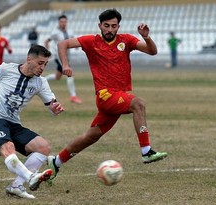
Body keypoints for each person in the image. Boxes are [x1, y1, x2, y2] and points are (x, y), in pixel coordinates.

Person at [47, 9, 168, 183]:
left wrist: (147, 37)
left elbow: (152, 51)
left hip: (118, 96)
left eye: (113, 26)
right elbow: (62, 44)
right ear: (100, 26)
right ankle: (146, 151)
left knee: (91, 136)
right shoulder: (91, 41)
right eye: (106, 26)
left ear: (118, 26)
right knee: (138, 104)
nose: (110, 29)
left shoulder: (126, 40)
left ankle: (56, 161)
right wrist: (65, 65)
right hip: (105, 95)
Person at [0, 45, 64, 199]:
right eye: (40, 63)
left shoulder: (40, 82)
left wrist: (55, 109)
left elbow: (51, 105)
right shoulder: (6, 69)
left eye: (45, 64)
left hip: (14, 123)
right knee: (8, 148)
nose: (42, 67)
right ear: (29, 59)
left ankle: (16, 186)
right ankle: (31, 177)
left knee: (43, 147)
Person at [44, 14, 82, 104]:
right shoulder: (55, 32)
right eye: (61, 21)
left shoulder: (70, 31)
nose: (63, 23)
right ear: (59, 22)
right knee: (69, 73)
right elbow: (47, 41)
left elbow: (73, 40)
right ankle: (73, 96)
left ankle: (42, 80)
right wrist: (47, 52)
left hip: (67, 57)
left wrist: (76, 46)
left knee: (58, 77)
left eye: (65, 21)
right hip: (59, 56)